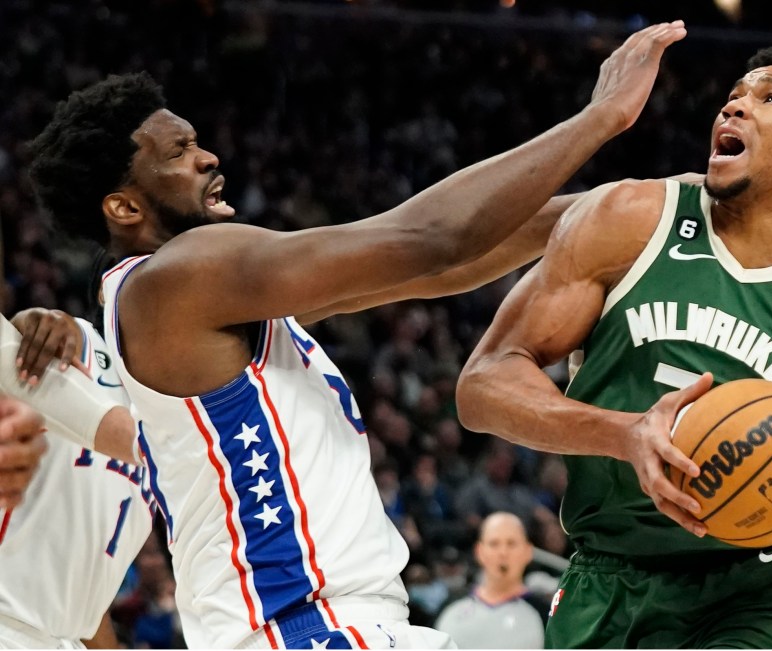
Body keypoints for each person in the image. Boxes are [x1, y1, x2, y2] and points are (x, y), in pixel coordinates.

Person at [27, 21, 688, 649]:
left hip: (336, 626)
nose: (207, 157)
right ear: (124, 206)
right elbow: (430, 239)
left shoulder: (209, 300)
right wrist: (600, 119)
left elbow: (450, 265)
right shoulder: (174, 280)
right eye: (179, 152)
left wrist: (644, 209)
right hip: (301, 627)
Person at [456, 42, 772, 648]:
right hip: (606, 579)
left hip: (751, 592)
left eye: (768, 99)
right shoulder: (630, 219)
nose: (733, 110)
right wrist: (623, 433)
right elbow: (482, 385)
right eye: (732, 98)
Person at [0, 310, 153, 649]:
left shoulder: (169, 414)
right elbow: (28, 335)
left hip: (62, 638)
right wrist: (35, 321)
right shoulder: (79, 344)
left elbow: (81, 588)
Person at [433, 512, 546, 649]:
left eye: (511, 544)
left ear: (528, 551)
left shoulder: (546, 615)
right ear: (479, 551)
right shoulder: (449, 607)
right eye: (494, 544)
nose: (503, 553)